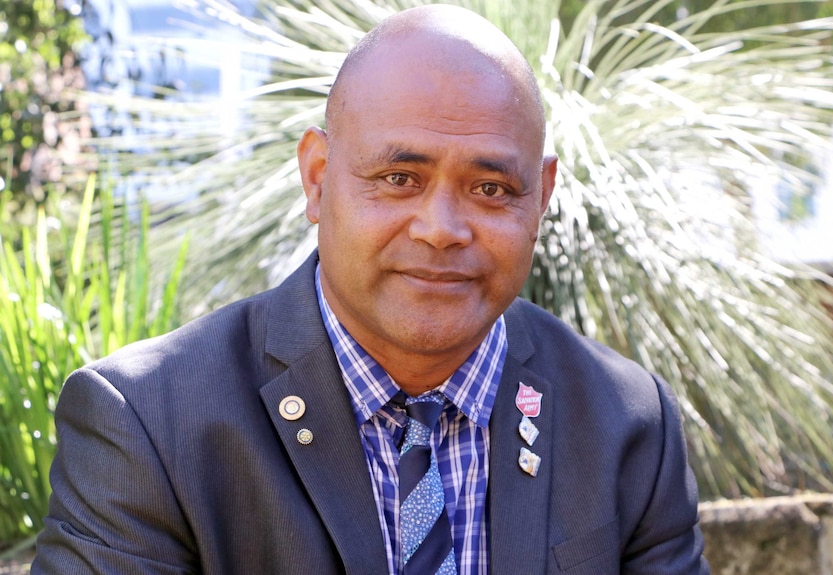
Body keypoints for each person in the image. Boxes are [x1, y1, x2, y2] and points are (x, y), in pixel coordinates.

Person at [33, 4, 709, 574]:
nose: (442, 229)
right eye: (398, 179)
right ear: (318, 178)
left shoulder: (627, 425)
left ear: (542, 198)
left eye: (491, 188)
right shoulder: (147, 425)